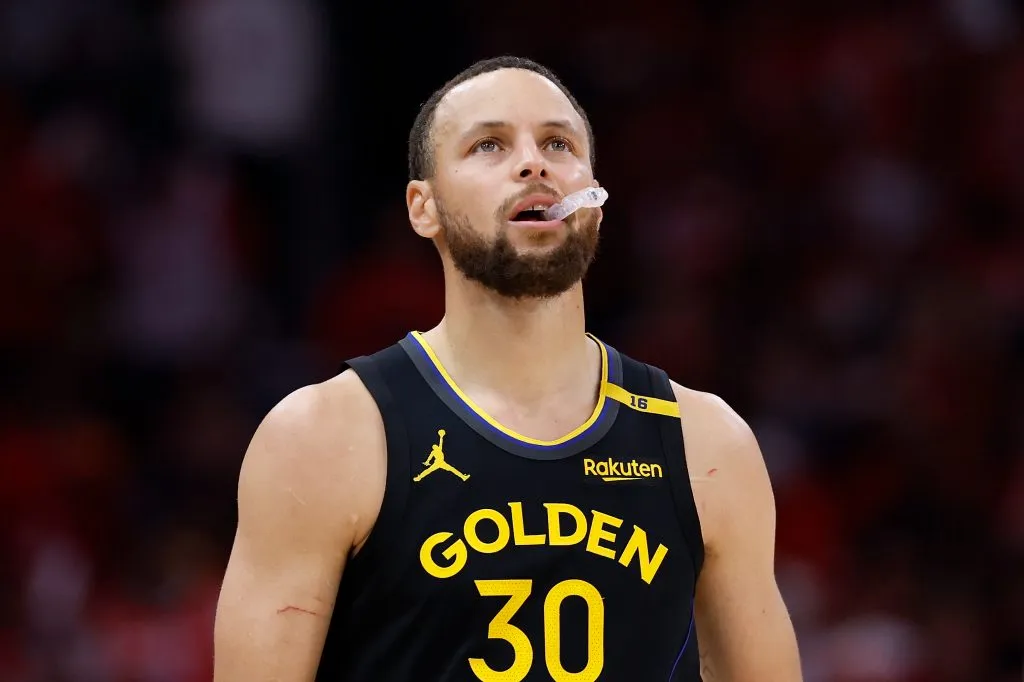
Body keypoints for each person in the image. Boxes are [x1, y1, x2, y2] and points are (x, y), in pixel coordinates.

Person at [213, 55, 803, 681]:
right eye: (489, 145)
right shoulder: (323, 436)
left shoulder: (705, 441)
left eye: (558, 143)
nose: (534, 163)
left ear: (595, 200)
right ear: (424, 208)